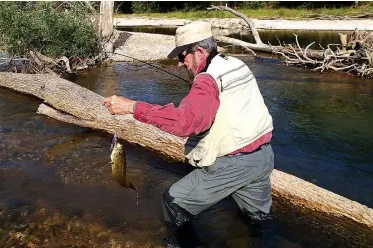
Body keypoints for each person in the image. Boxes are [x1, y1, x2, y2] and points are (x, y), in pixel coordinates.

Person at [102, 21, 274, 248]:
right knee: (257, 220)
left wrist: (132, 107)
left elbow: (187, 123)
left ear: (200, 52)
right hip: (263, 157)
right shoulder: (235, 63)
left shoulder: (206, 80)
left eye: (183, 56)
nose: (180, 63)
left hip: (234, 162)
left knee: (173, 201)